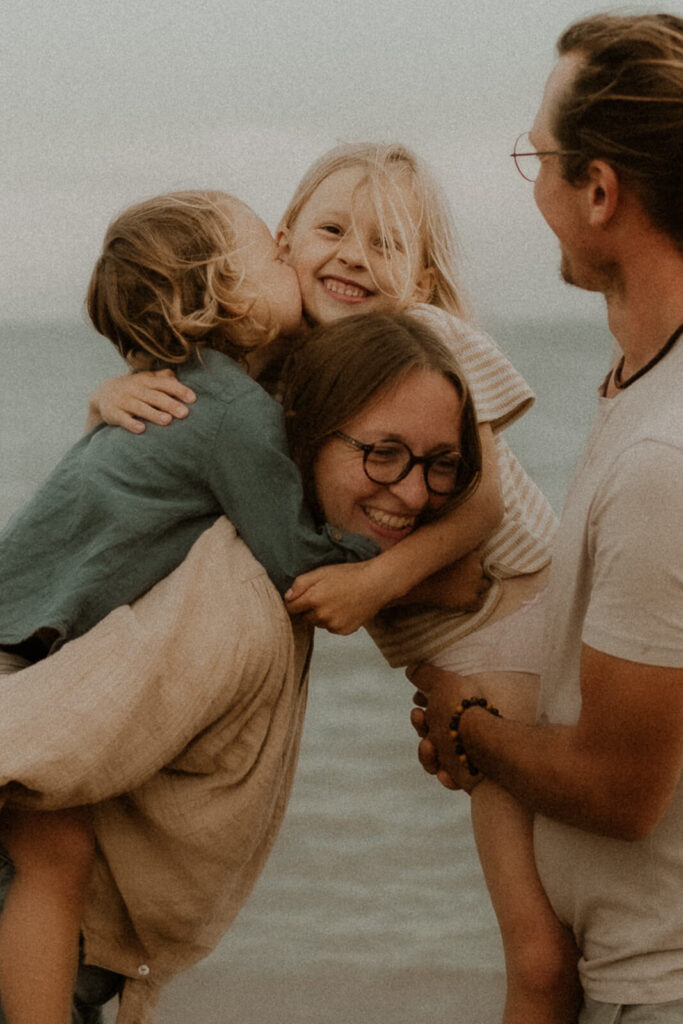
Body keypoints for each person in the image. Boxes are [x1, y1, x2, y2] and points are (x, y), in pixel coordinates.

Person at [95, 143, 574, 1020]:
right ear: (283, 246)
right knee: (555, 915)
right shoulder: (286, 375)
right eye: (332, 229)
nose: (354, 254)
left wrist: (371, 584)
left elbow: (478, 512)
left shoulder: (422, 343)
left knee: (536, 946)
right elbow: (194, 410)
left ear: (420, 279)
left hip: (524, 623)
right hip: (470, 657)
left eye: (386, 243)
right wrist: (115, 394)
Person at [0, 312, 484, 1024]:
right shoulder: (240, 594)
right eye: (382, 453)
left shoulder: (254, 546)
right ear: (304, 434)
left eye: (440, 463)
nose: (413, 494)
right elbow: (35, 742)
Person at [0, 188, 385, 1024]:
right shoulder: (231, 414)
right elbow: (292, 554)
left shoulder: (184, 388)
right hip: (13, 645)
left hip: (21, 629)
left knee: (45, 858)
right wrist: (390, 552)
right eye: (268, 251)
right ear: (224, 292)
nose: (288, 255)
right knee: (54, 856)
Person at [410, 13, 683, 1023]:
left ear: (599, 191)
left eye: (539, 156)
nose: (530, 184)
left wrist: (473, 728)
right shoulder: (638, 393)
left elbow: (620, 787)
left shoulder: (664, 451)